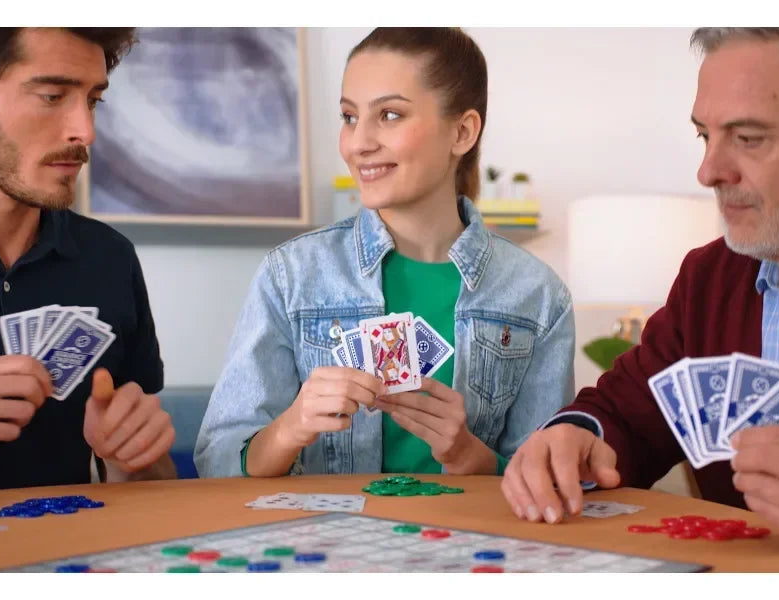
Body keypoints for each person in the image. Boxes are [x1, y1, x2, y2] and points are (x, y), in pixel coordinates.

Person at [502, 27, 779, 572]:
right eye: (704, 135)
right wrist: (575, 436)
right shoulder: (708, 279)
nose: (708, 171)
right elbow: (624, 415)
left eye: (748, 138)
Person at [195, 27, 574, 479]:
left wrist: (471, 457)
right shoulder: (290, 275)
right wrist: (290, 428)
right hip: (323, 526)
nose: (358, 143)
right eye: (349, 116)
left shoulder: (539, 296)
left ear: (462, 132)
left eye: (390, 115)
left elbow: (547, 479)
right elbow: (217, 462)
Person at [0, 28, 176, 491]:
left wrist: (131, 461)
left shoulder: (110, 258)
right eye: (52, 96)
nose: (85, 132)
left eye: (93, 101)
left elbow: (153, 490)